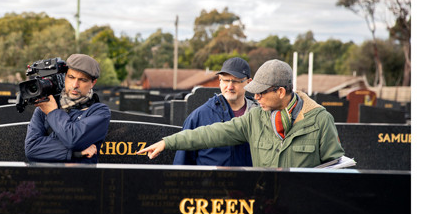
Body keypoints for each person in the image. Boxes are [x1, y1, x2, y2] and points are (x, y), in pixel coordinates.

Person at [137, 59, 344, 168]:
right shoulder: (255, 118)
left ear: (280, 92)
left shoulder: (320, 121)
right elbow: (210, 133)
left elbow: (336, 170)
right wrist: (167, 142)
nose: (257, 98)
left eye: (261, 93)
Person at [24, 54, 110, 163]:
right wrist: (76, 153)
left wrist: (53, 112)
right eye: (71, 77)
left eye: (82, 80)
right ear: (64, 77)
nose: (75, 84)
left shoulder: (100, 112)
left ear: (93, 83)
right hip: (48, 177)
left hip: (80, 177)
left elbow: (73, 139)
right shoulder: (45, 106)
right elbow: (31, 149)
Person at [173, 57, 258, 166]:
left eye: (235, 81)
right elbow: (181, 164)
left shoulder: (260, 115)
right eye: (225, 80)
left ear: (249, 82)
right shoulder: (199, 117)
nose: (230, 86)